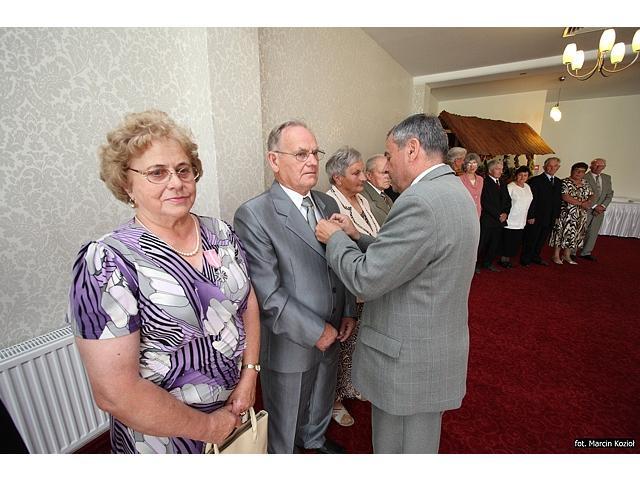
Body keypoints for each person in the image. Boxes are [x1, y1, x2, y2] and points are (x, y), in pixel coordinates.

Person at [67, 110, 260, 453]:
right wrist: (208, 428)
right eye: (157, 172)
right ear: (126, 184)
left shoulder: (221, 232)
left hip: (234, 410)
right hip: (164, 438)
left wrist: (250, 374)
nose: (176, 182)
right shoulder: (107, 261)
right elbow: (115, 394)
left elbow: (247, 305)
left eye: (183, 169)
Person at [315, 113, 479, 454]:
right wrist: (357, 236)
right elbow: (410, 256)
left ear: (412, 149)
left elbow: (366, 278)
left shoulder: (419, 201)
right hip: (433, 346)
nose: (387, 167)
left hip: (407, 359)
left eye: (389, 156)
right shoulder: (454, 191)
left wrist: (335, 239)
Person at [233, 120, 356, 454]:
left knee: (321, 400)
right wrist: (317, 331)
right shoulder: (255, 214)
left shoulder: (327, 204)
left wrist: (347, 309)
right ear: (274, 160)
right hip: (291, 339)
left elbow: (338, 262)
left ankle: (314, 443)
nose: (312, 161)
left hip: (334, 328)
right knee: (285, 421)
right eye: (301, 154)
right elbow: (267, 294)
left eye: (315, 153)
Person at [325, 146, 380, 427]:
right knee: (343, 346)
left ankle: (354, 387)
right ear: (338, 178)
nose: (363, 178)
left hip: (370, 283)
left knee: (358, 344)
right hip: (348, 284)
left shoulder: (363, 200)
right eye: (356, 173)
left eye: (362, 172)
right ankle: (335, 400)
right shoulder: (330, 204)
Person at [549, 162, 595, 264]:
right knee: (561, 233)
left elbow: (591, 194)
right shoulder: (564, 182)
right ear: (572, 171)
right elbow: (565, 196)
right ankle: (556, 255)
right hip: (566, 213)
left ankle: (566, 255)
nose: (579, 173)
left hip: (580, 214)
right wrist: (581, 203)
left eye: (582, 171)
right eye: (577, 171)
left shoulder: (585, 183)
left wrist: (589, 201)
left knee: (574, 234)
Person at [520, 157, 562, 266]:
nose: (552, 168)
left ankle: (536, 256)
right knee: (531, 238)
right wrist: (531, 216)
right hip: (536, 216)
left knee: (542, 239)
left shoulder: (558, 182)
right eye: (549, 166)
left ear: (558, 168)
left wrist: (557, 216)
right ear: (544, 167)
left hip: (550, 217)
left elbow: (558, 201)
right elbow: (531, 200)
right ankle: (526, 258)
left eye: (555, 166)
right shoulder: (535, 180)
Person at [477, 159, 511, 272]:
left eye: (501, 169)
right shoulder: (484, 182)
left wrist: (505, 213)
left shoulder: (503, 183)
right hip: (488, 219)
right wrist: (498, 215)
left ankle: (488, 263)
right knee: (481, 243)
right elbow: (484, 201)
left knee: (494, 244)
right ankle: (474, 265)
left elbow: (508, 200)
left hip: (500, 220)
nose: (500, 171)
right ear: (490, 170)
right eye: (497, 169)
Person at [579, 158, 614, 261]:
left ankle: (586, 252)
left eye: (601, 166)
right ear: (591, 165)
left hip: (600, 211)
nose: (598, 167)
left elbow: (609, 194)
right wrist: (594, 206)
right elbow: (582, 194)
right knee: (580, 231)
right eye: (596, 165)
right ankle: (571, 252)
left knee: (593, 232)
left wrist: (603, 206)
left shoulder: (607, 178)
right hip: (585, 209)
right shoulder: (584, 176)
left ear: (604, 167)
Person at [498, 166, 533, 268]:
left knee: (515, 240)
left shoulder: (527, 187)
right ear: (516, 175)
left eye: (525, 175)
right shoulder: (510, 187)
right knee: (508, 240)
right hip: (511, 218)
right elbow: (504, 202)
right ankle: (504, 259)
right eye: (520, 175)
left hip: (521, 219)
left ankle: (509, 257)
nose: (522, 177)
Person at [361, 153, 394, 226]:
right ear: (369, 175)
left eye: (389, 172)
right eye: (384, 172)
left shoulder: (386, 196)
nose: (388, 176)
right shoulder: (362, 197)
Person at [459, 152, 483, 217]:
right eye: (469, 163)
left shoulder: (480, 179)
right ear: (465, 165)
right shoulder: (460, 179)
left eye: (474, 163)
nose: (472, 166)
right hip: (465, 212)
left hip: (477, 212)